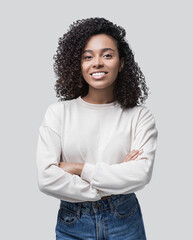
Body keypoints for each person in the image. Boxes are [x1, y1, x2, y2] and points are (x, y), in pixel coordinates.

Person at [36, 17, 158, 240]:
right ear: (78, 64)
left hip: (125, 219)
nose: (97, 63)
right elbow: (46, 178)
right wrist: (112, 182)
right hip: (73, 221)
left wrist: (78, 168)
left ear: (121, 63)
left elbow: (140, 174)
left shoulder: (139, 116)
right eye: (88, 57)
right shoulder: (58, 113)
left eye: (107, 55)